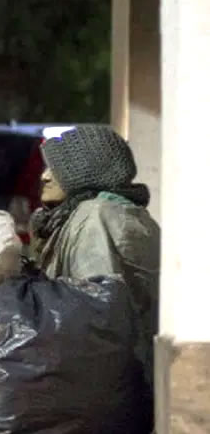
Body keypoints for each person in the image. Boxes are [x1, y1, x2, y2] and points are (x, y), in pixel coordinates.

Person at [30, 124, 160, 381]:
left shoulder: (99, 218)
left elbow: (95, 315)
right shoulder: (86, 213)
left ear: (85, 171)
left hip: (107, 381)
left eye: (56, 168)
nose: (44, 176)